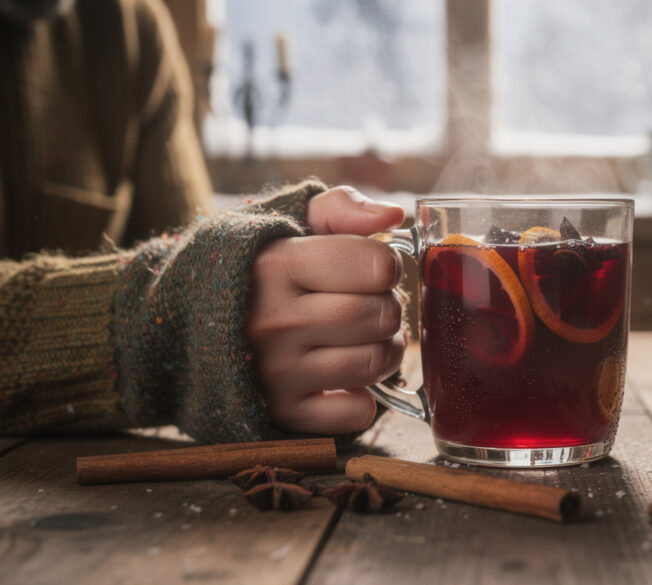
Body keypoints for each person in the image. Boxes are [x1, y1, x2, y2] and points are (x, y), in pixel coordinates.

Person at [0, 0, 406, 442]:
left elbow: (188, 258)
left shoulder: (129, 25)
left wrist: (257, 259)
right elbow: (188, 295)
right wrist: (167, 331)